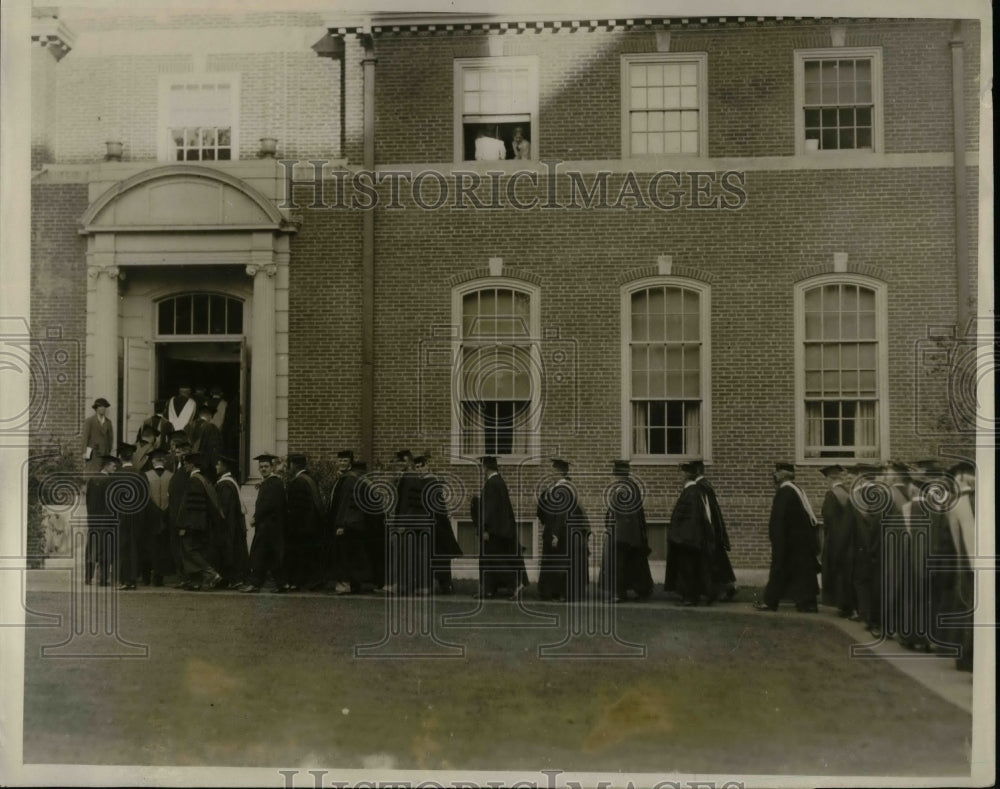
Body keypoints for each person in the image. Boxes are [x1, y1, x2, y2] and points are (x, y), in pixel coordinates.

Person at [755, 462, 820, 613]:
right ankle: (808, 604)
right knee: (803, 572)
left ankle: (770, 602)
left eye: (777, 472)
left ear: (783, 474)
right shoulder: (797, 490)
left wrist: (776, 541)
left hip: (789, 541)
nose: (774, 475)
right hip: (801, 540)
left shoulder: (784, 492)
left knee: (779, 569)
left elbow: (778, 520)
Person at [536, 458, 590, 602]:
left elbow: (562, 513)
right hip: (559, 530)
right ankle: (553, 592)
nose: (551, 473)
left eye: (554, 470)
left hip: (563, 532)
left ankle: (561, 593)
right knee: (555, 563)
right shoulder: (556, 487)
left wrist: (555, 534)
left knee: (560, 563)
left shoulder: (564, 489)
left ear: (559, 472)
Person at [600, 460, 654, 603]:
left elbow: (622, 514)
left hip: (623, 533)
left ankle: (619, 593)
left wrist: (614, 531)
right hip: (630, 533)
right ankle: (641, 591)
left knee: (619, 564)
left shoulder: (624, 488)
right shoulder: (631, 486)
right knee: (634, 563)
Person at [665, 461, 715, 606]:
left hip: (687, 539)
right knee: (690, 569)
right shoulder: (694, 492)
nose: (679, 477)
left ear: (687, 475)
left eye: (681, 473)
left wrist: (679, 538)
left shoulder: (691, 493)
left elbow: (691, 518)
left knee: (688, 569)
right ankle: (691, 596)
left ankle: (690, 598)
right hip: (690, 538)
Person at [174, 451, 225, 591]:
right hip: (200, 524)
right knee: (194, 550)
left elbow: (192, 507)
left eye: (186, 463)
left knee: (189, 550)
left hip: (192, 524)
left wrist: (185, 525)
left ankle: (211, 574)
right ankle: (196, 582)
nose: (184, 465)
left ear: (191, 464)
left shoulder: (194, 480)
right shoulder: (203, 479)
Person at [241, 453, 288, 593]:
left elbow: (268, 504)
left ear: (272, 467)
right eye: (261, 467)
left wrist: (256, 517)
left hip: (269, 525)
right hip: (269, 525)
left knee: (259, 554)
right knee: (271, 555)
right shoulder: (270, 482)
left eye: (266, 466)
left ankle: (255, 583)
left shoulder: (274, 482)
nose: (263, 469)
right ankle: (281, 584)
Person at [418, 455, 463, 595]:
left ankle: (445, 585)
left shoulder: (430, 481)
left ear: (427, 466)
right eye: (417, 467)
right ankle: (443, 585)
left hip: (436, 524)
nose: (420, 470)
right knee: (436, 557)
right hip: (432, 524)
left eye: (422, 466)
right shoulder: (425, 481)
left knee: (439, 557)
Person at [328, 450, 371, 595]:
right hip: (353, 523)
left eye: (345, 461)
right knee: (353, 554)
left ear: (350, 463)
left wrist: (341, 525)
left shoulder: (349, 479)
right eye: (340, 461)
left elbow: (346, 504)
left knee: (345, 555)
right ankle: (355, 585)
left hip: (347, 524)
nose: (341, 463)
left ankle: (345, 584)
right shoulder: (348, 478)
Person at [819, 464, 857, 618]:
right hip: (849, 540)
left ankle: (844, 606)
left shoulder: (832, 495)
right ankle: (848, 606)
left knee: (838, 574)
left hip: (836, 540)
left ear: (830, 478)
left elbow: (829, 519)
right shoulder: (847, 492)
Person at [695, 464, 738, 601]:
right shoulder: (706, 484)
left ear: (696, 471)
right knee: (718, 560)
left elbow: (705, 511)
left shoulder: (700, 487)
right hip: (715, 529)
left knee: (713, 561)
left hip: (709, 530)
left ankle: (724, 588)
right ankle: (728, 587)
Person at [110, 443, 150, 590]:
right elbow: (146, 497)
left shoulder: (116, 475)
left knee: (122, 546)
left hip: (121, 515)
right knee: (134, 546)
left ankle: (123, 579)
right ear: (132, 457)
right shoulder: (140, 474)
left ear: (120, 458)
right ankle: (133, 579)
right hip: (137, 515)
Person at [285, 453, 325, 590]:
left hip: (302, 526)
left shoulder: (298, 482)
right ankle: (314, 581)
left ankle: (299, 582)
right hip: (313, 524)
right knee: (311, 554)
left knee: (300, 555)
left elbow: (297, 508)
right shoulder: (310, 478)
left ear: (294, 465)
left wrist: (291, 525)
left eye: (289, 465)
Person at [391, 449, 427, 595]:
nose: (400, 464)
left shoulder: (410, 477)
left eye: (403, 461)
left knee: (408, 555)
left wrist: (403, 523)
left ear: (409, 461)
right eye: (398, 461)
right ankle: (409, 586)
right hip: (411, 522)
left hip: (410, 523)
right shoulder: (408, 476)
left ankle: (405, 586)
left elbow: (410, 503)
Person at [214, 454, 249, 589]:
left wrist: (220, 523)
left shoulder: (226, 484)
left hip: (229, 525)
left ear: (224, 466)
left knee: (230, 550)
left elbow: (225, 508)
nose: (216, 466)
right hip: (232, 523)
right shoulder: (230, 482)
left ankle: (234, 579)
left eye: (218, 464)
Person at [84, 454, 119, 585]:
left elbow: (88, 502)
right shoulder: (111, 481)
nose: (115, 469)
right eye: (113, 466)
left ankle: (88, 577)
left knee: (92, 550)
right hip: (107, 522)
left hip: (94, 521)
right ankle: (103, 580)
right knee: (105, 550)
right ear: (107, 465)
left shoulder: (92, 480)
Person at [143, 448, 174, 586]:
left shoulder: (146, 475)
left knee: (149, 546)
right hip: (166, 515)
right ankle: (159, 577)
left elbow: (145, 498)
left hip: (150, 517)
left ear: (152, 461)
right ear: (164, 461)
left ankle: (146, 577)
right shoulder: (171, 475)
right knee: (163, 547)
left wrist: (154, 511)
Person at [191, 404, 223, 482]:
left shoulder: (188, 426)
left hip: (191, 466)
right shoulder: (211, 428)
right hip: (206, 470)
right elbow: (214, 451)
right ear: (210, 416)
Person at [82, 397, 114, 473]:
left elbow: (110, 438)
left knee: (103, 474)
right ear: (96, 408)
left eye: (104, 407)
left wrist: (108, 450)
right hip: (93, 453)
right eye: (100, 407)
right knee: (91, 473)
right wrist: (84, 452)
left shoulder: (108, 422)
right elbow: (85, 437)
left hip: (104, 454)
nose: (102, 409)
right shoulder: (90, 421)